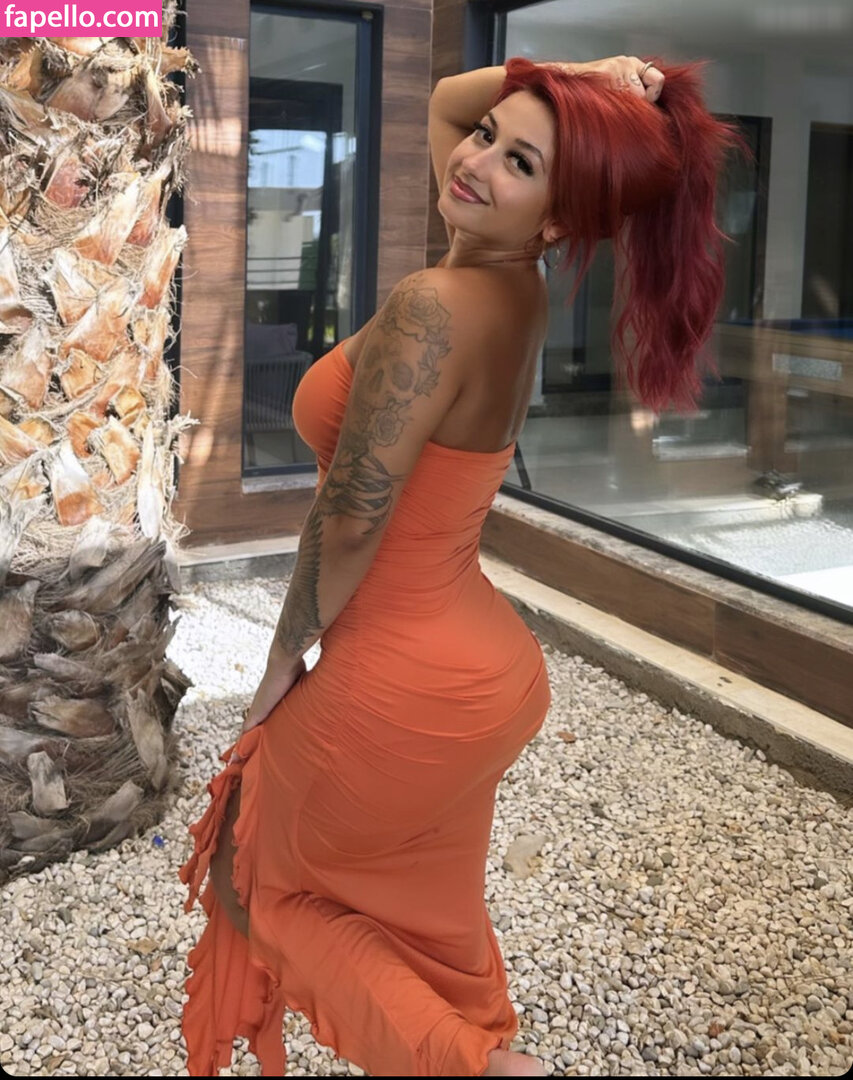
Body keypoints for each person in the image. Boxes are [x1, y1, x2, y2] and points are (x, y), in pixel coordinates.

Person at [179, 54, 747, 1077]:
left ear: (557, 219)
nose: (473, 159)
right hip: (474, 674)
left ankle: (491, 1071)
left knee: (253, 880)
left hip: (397, 678)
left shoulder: (436, 305)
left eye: (518, 161)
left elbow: (352, 519)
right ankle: (475, 1046)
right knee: (420, 917)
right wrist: (574, 78)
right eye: (489, 137)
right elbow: (448, 101)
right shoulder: (512, 284)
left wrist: (277, 666)